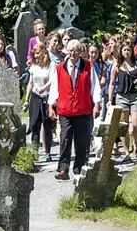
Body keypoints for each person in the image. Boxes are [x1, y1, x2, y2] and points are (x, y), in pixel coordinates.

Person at [54, 38, 95, 181]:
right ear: (66, 50)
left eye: (75, 50)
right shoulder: (59, 68)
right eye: (70, 50)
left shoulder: (88, 67)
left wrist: (97, 102)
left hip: (83, 110)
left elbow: (94, 87)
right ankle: (63, 169)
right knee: (65, 139)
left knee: (81, 140)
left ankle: (79, 168)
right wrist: (51, 105)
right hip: (65, 110)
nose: (72, 53)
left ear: (80, 52)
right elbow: (55, 88)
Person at [113, 37, 137, 160]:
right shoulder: (117, 65)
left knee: (135, 124)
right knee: (123, 125)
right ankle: (126, 151)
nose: (126, 52)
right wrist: (110, 99)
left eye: (128, 50)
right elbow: (112, 83)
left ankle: (136, 142)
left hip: (135, 96)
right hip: (122, 96)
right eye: (124, 50)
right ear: (121, 51)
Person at [26, 39, 56, 161]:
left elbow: (52, 79)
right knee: (34, 124)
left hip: (47, 97)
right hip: (36, 97)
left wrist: (45, 88)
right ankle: (34, 152)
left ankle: (47, 151)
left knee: (47, 125)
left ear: (44, 52)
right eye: (34, 54)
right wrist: (27, 99)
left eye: (38, 53)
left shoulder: (51, 65)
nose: (36, 56)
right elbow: (30, 82)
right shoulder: (33, 66)